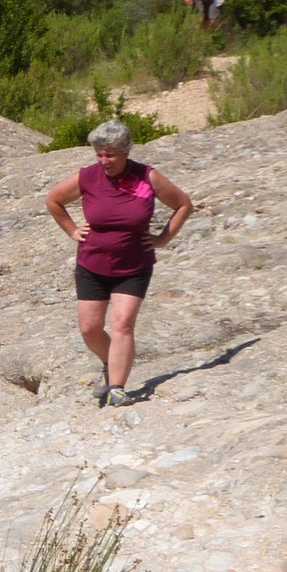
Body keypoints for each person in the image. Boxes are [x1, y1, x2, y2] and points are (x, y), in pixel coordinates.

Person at [44, 119, 193, 408]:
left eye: (110, 155)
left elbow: (183, 204)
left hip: (134, 265)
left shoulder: (147, 177)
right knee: (89, 328)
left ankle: (117, 388)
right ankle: (109, 361)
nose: (104, 161)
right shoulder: (88, 177)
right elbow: (53, 200)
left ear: (126, 152)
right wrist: (72, 230)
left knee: (122, 324)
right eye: (99, 154)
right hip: (91, 264)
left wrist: (164, 238)